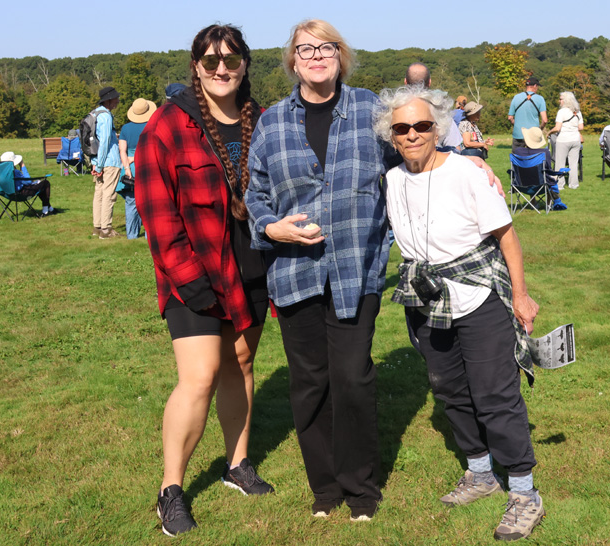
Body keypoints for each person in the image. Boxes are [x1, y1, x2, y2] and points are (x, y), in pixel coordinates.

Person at [245, 19, 401, 523]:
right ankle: (326, 486)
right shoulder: (271, 123)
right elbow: (255, 195)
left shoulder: (371, 109)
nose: (315, 56)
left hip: (358, 266)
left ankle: (361, 487)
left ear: (341, 54)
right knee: (310, 381)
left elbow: (411, 160)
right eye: (304, 49)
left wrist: (465, 162)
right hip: (294, 272)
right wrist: (273, 230)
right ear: (292, 60)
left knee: (352, 377)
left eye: (325, 47)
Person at [373, 85, 544, 541]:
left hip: (478, 294)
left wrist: (522, 296)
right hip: (425, 296)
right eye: (402, 128)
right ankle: (480, 473)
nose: (412, 135)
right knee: (447, 387)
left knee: (494, 392)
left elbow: (507, 237)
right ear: (391, 136)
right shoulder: (391, 179)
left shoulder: (468, 174)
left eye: (422, 126)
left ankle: (525, 492)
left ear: (439, 129)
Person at [136, 24, 274, 537]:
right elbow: (157, 212)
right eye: (211, 61)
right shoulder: (169, 126)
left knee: (241, 361)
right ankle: (171, 489)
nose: (222, 69)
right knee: (198, 377)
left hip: (252, 261)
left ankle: (236, 464)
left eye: (231, 60)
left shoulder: (261, 119)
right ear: (196, 65)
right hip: (191, 267)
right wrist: (187, 277)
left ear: (244, 65)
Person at [117, 97, 156, 239]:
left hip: (130, 168)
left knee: (131, 202)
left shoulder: (125, 128)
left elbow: (122, 150)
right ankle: (149, 234)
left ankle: (131, 235)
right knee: (149, 203)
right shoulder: (152, 126)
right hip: (147, 166)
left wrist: (127, 167)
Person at [404, 62, 463, 153]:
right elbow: (456, 149)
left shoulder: (394, 112)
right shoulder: (441, 113)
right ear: (429, 82)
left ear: (405, 82)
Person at [90, 86, 122, 239]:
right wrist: (101, 164)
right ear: (109, 100)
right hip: (109, 161)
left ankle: (97, 227)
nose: (118, 100)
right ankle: (106, 230)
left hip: (97, 161)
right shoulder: (106, 116)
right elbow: (103, 143)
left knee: (99, 194)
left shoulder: (94, 114)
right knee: (109, 195)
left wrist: (95, 163)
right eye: (116, 98)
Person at [546, 91, 584, 189]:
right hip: (575, 140)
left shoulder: (561, 112)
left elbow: (557, 128)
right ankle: (573, 184)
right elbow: (581, 127)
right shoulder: (577, 111)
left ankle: (560, 185)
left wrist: (549, 132)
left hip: (563, 140)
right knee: (573, 163)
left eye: (561, 99)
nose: (559, 101)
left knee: (560, 163)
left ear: (565, 100)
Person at [508, 77, 547, 148]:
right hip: (533, 135)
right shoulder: (540, 99)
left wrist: (516, 124)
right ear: (535, 86)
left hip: (518, 133)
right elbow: (545, 120)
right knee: (532, 158)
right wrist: (540, 129)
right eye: (537, 86)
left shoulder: (516, 97)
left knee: (517, 157)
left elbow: (510, 117)